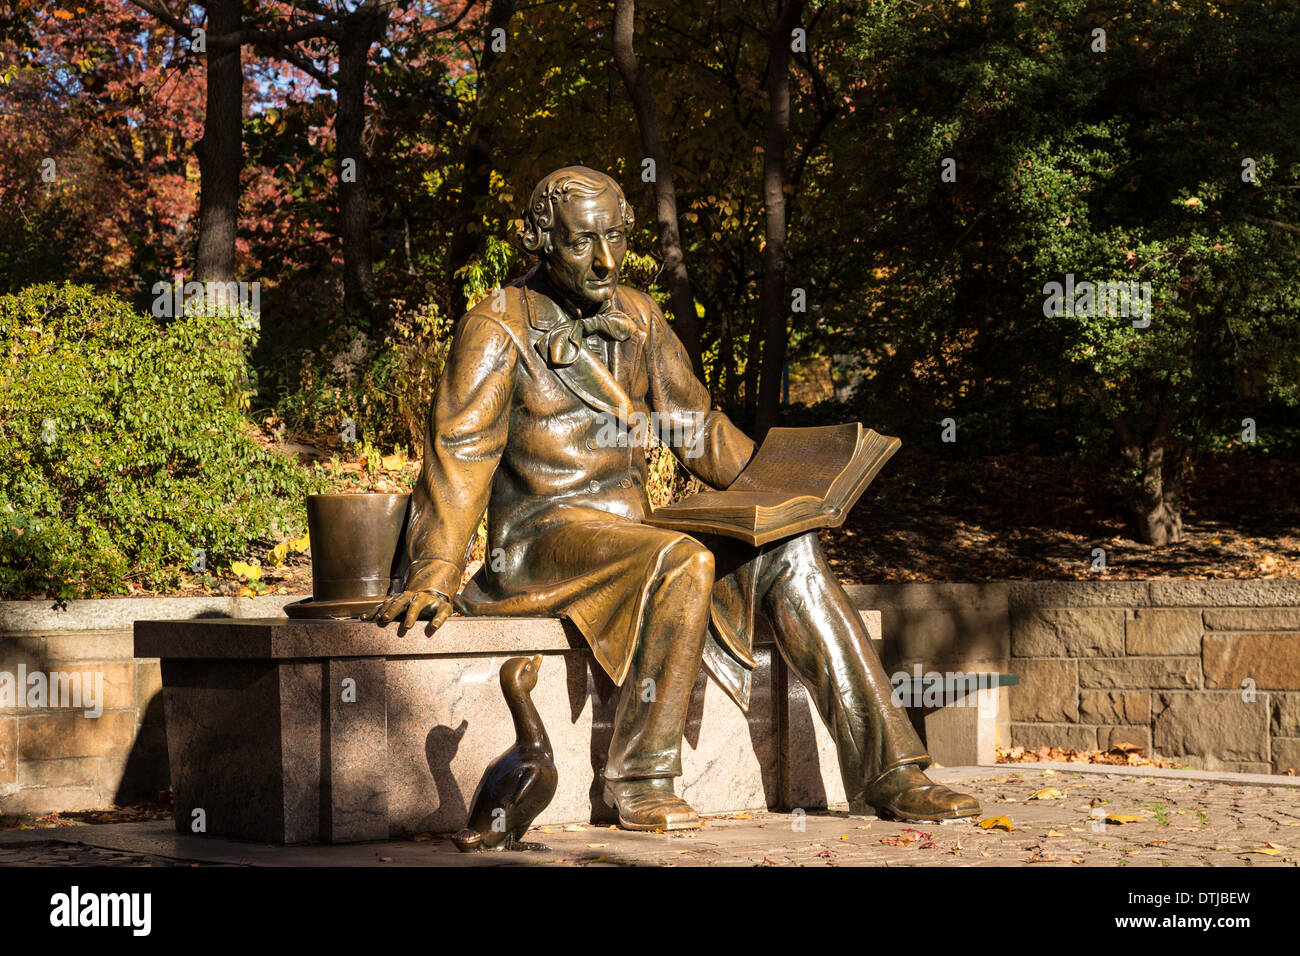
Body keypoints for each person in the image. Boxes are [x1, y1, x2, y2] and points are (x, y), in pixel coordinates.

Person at [373, 166, 979, 830]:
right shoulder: (496, 325)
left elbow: (696, 428)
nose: (606, 261)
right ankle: (641, 776)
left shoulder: (639, 314)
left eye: (615, 238)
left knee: (791, 547)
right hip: (541, 540)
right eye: (582, 242)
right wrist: (435, 570)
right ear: (540, 240)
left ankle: (890, 770)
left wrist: (787, 490)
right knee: (681, 558)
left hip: (632, 534)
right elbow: (461, 453)